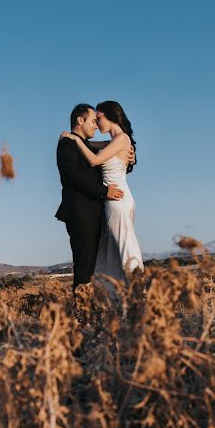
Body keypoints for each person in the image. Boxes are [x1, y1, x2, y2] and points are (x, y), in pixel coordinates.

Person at [61, 100, 143, 280]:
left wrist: (74, 138)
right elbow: (95, 148)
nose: (97, 124)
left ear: (110, 116)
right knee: (111, 252)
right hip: (108, 202)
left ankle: (138, 292)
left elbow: (94, 160)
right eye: (94, 120)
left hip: (117, 199)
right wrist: (77, 139)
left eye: (98, 118)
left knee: (124, 245)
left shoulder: (121, 139)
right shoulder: (114, 142)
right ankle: (116, 296)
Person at [55, 104, 126, 290]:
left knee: (97, 265)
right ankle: (81, 313)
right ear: (80, 120)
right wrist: (104, 191)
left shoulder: (87, 147)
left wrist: (129, 154)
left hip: (95, 213)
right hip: (80, 213)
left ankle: (93, 310)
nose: (96, 126)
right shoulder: (66, 144)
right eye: (93, 121)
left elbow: (112, 159)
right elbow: (72, 176)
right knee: (84, 265)